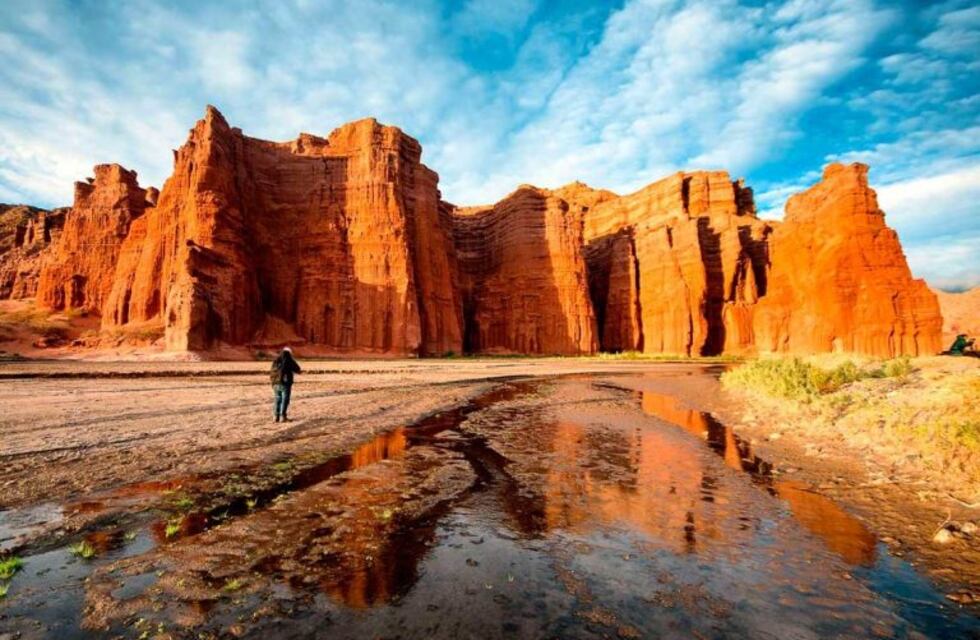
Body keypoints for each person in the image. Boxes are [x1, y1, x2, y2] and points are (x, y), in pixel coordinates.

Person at [270, 347, 301, 422]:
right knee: (285, 400)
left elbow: (272, 372)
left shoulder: (276, 360)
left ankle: (276, 417)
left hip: (275, 383)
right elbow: (297, 369)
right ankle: (283, 417)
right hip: (285, 383)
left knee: (277, 399)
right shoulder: (289, 359)